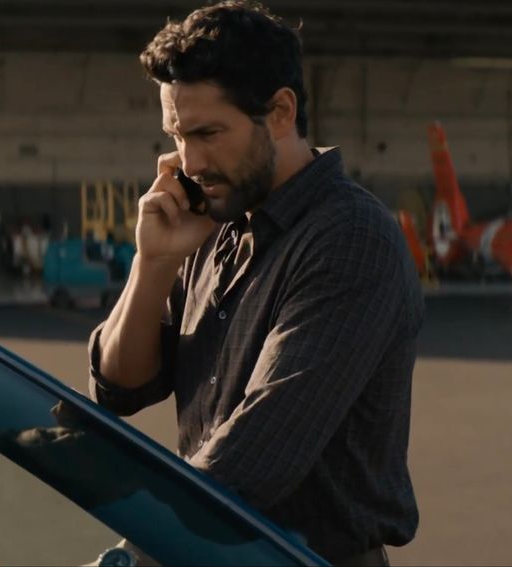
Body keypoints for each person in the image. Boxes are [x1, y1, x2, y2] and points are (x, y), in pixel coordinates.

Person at [87, 2, 424, 565]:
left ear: (281, 112)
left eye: (208, 133)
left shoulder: (350, 239)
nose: (189, 161)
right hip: (205, 546)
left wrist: (131, 556)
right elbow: (119, 387)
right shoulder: (213, 222)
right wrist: (153, 264)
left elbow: (251, 463)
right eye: (176, 134)